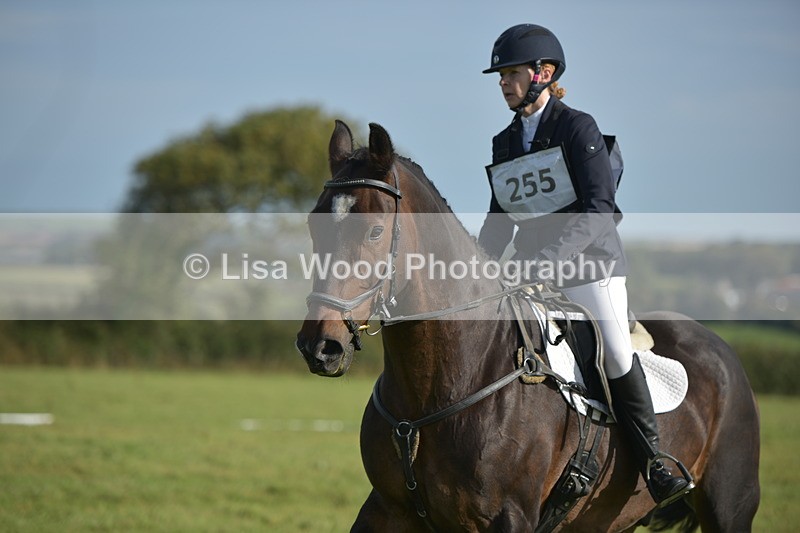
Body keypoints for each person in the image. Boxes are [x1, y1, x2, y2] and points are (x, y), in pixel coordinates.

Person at [477, 23, 692, 507]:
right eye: (500, 76)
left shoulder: (578, 127)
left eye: (510, 73)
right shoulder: (504, 142)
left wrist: (550, 261)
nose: (502, 83)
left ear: (543, 73)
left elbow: (601, 208)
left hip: (591, 268)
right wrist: (477, 267)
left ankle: (653, 460)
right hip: (531, 272)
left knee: (614, 351)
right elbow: (499, 218)